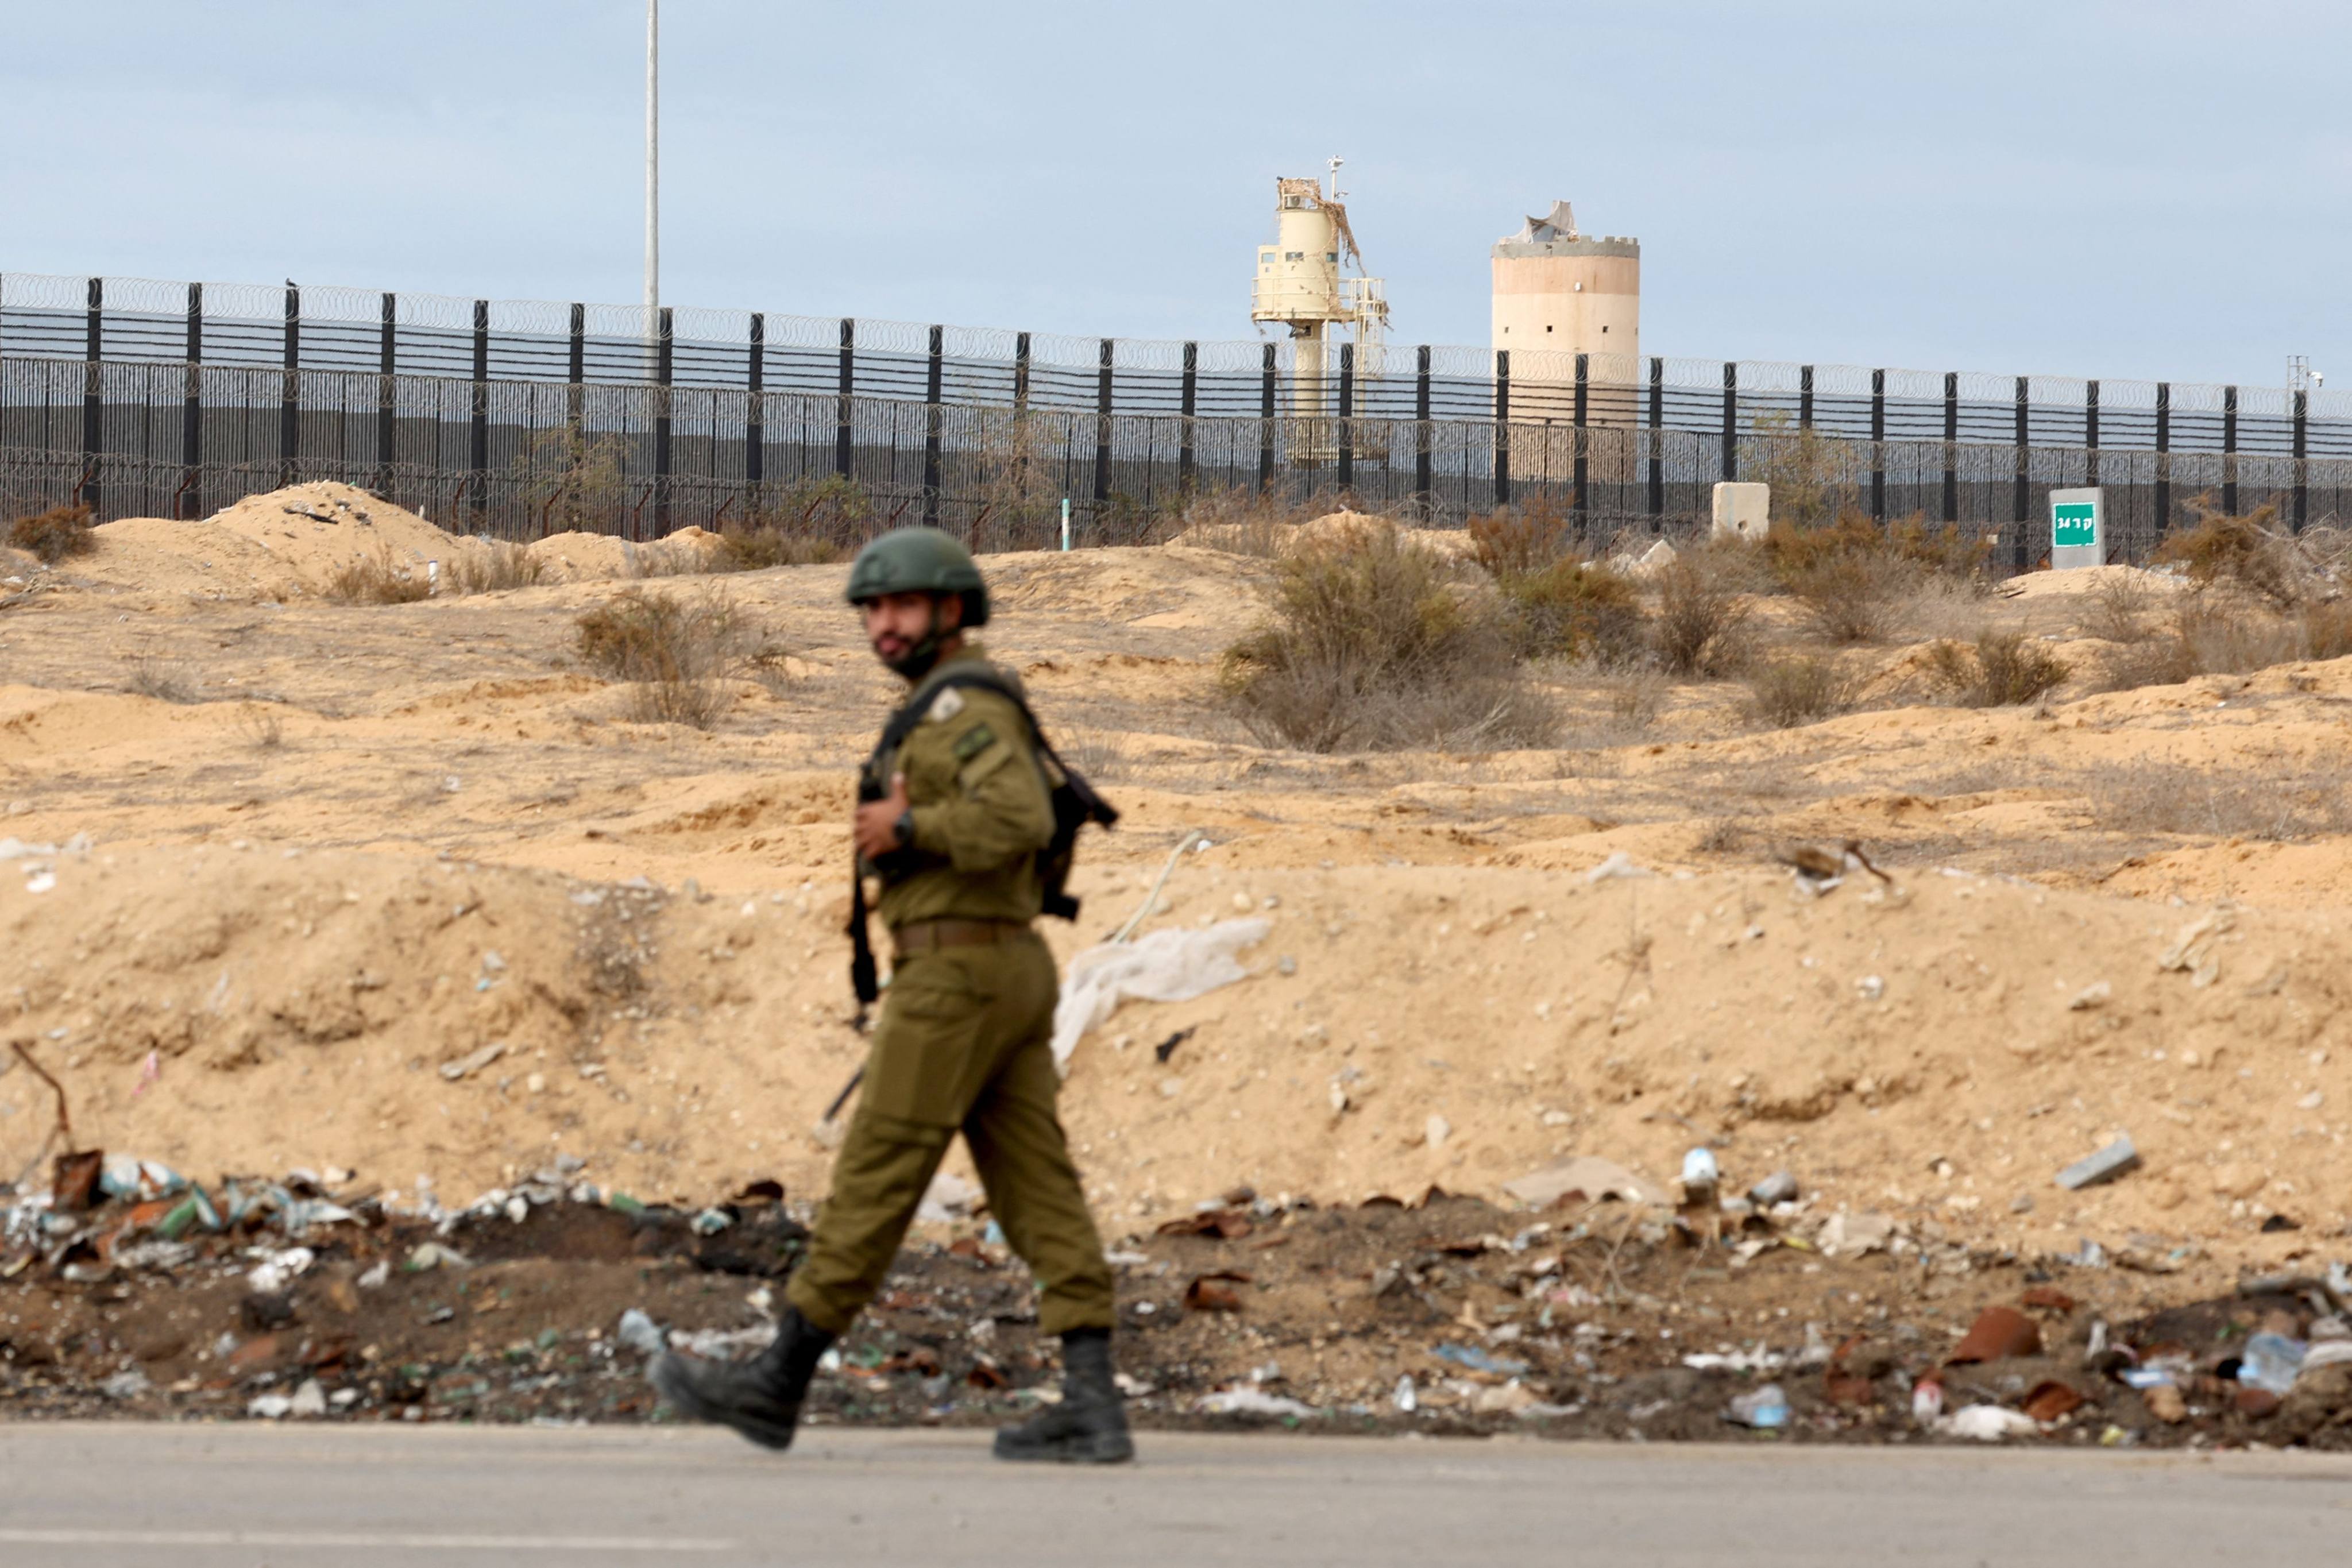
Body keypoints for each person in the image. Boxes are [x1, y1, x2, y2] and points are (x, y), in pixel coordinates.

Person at [651, 526, 1130, 1464]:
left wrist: (909, 822)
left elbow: (1022, 815)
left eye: (902, 605)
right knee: (1037, 1186)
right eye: (872, 607)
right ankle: (1092, 1400)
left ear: (952, 612)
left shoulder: (962, 707)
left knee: (877, 1172)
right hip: (1001, 969)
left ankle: (775, 1381)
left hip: (957, 975)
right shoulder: (948, 703)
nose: (882, 623)